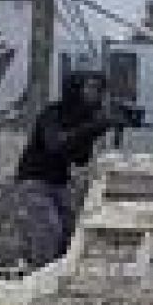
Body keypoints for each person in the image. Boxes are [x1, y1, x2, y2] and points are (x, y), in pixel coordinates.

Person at [15, 70, 126, 268]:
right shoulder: (52, 113)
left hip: (59, 183)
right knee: (48, 229)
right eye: (90, 88)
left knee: (71, 231)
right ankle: (40, 277)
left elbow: (80, 159)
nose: (96, 94)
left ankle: (58, 274)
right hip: (34, 181)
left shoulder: (83, 119)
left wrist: (96, 131)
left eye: (99, 89)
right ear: (75, 89)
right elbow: (55, 144)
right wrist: (92, 128)